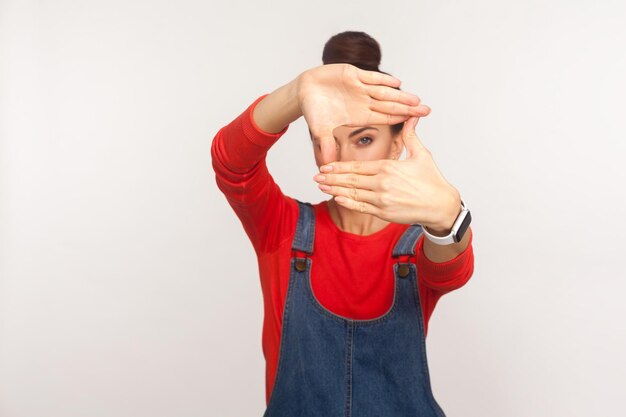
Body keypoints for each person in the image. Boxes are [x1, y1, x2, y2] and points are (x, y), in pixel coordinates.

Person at [211, 31, 474, 417]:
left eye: (363, 139)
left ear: (397, 143)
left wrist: (447, 220)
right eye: (324, 141)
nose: (340, 158)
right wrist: (299, 92)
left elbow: (451, 269)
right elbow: (231, 164)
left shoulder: (417, 246)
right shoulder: (282, 228)